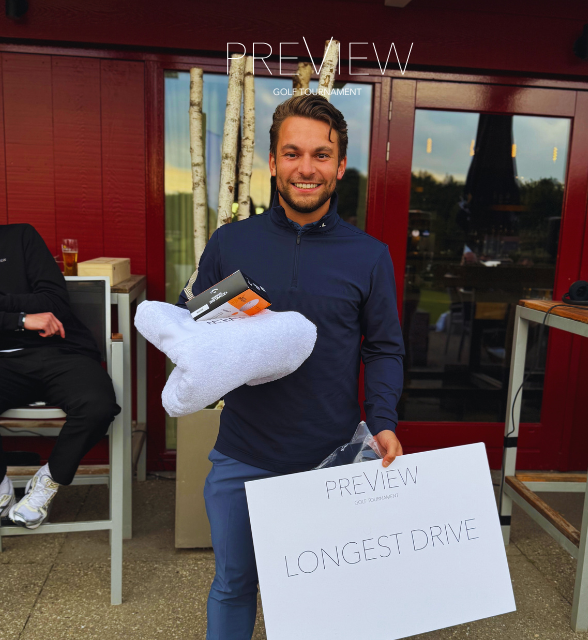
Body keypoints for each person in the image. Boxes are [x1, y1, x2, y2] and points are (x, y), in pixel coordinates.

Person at [177, 93, 405, 640]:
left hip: (330, 459)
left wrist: (383, 420)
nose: (307, 168)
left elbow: (383, 348)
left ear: (340, 166)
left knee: (320, 598)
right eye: (293, 153)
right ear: (274, 162)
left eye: (321, 155)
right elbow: (193, 329)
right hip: (242, 453)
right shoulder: (231, 242)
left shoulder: (369, 255)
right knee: (234, 584)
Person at [0, 224, 120, 529]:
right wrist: (20, 318)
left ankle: (49, 479)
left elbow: (54, 301)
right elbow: (34, 306)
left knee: (98, 407)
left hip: (59, 350)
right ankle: (1, 487)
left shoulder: (20, 237)